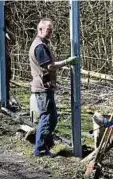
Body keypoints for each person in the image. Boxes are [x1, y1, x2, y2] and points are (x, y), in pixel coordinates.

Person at [29, 18, 79, 157]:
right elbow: (49, 66)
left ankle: (45, 145)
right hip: (43, 88)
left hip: (43, 86)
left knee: (50, 117)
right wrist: (66, 62)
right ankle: (40, 149)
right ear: (40, 29)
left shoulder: (41, 44)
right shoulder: (40, 46)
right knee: (48, 118)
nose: (50, 33)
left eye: (51, 30)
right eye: (48, 30)